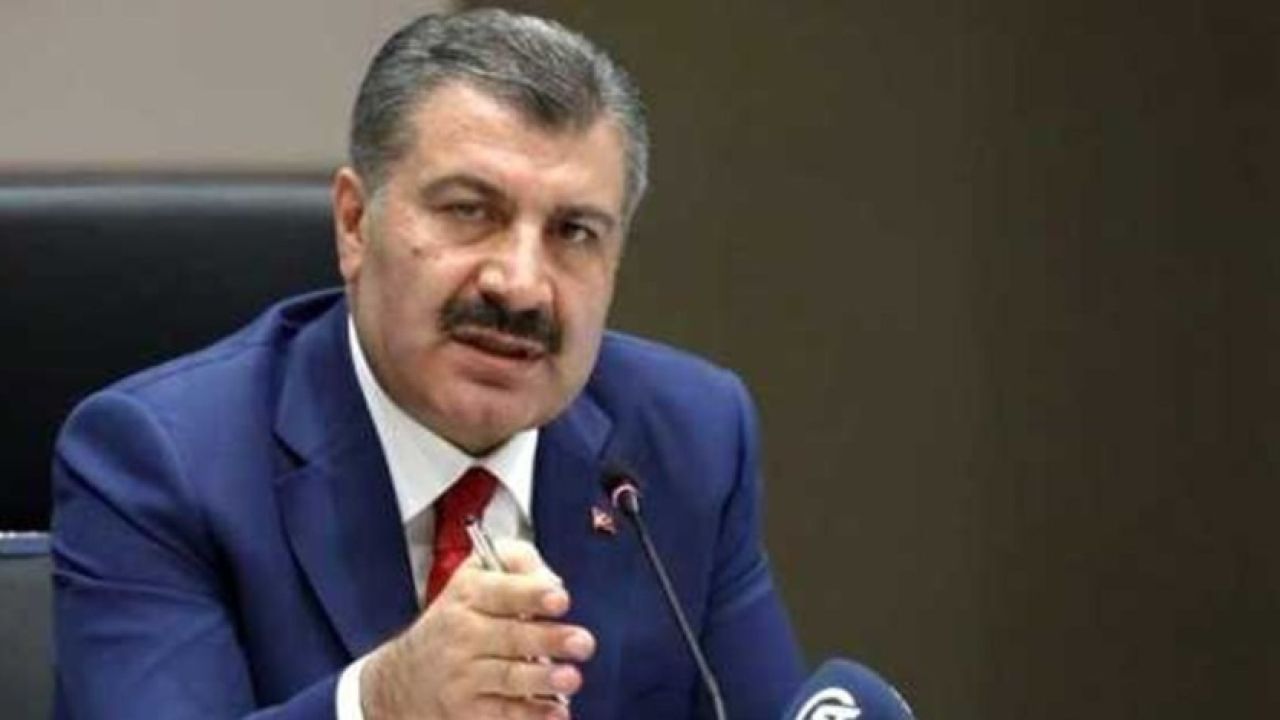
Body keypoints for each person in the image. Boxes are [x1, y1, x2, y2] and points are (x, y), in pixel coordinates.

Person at [51, 9, 804, 719]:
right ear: (354, 223)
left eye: (574, 231)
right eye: (470, 210)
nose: (520, 285)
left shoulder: (690, 439)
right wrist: (382, 700)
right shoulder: (162, 462)